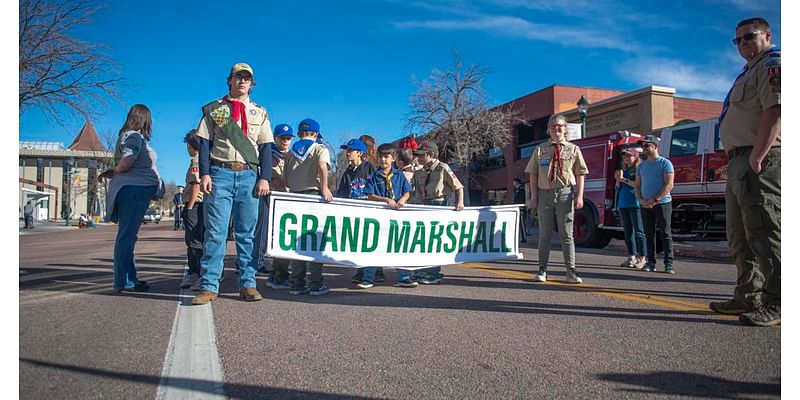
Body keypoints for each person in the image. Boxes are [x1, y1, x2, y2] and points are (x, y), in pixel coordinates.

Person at [709, 17, 781, 327]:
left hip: (760, 158)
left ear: (767, 35)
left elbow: (777, 108)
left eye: (748, 37)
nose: (742, 44)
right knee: (740, 235)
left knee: (765, 232)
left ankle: (779, 301)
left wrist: (758, 155)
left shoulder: (772, 65)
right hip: (740, 160)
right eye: (737, 40)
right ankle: (748, 294)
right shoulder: (747, 73)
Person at [191, 63, 274, 305]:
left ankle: (248, 283)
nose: (242, 82)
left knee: (246, 234)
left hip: (249, 175)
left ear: (252, 84)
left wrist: (265, 177)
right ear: (230, 80)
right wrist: (204, 174)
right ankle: (209, 286)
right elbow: (204, 143)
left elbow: (266, 147)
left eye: (246, 78)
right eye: (238, 77)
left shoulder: (260, 112)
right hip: (220, 173)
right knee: (215, 233)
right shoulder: (216, 109)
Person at [99, 104, 162, 293]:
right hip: (133, 191)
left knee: (128, 236)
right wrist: (116, 170)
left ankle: (129, 278)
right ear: (144, 119)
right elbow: (128, 160)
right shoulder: (132, 136)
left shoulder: (133, 136)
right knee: (126, 236)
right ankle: (125, 281)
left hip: (136, 190)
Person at [526, 114, 588, 284]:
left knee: (566, 234)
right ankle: (542, 269)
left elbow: (580, 174)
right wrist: (533, 196)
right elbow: (533, 174)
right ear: (549, 130)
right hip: (544, 195)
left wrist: (579, 195)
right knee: (544, 234)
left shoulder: (574, 149)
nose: (557, 129)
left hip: (565, 194)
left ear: (566, 128)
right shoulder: (540, 150)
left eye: (560, 126)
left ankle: (571, 271)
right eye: (553, 126)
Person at [284, 118, 333, 296]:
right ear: (316, 133)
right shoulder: (320, 149)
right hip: (312, 195)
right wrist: (325, 187)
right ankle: (316, 284)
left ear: (298, 134)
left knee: (297, 240)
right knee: (314, 241)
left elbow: (285, 177)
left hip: (294, 196)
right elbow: (322, 166)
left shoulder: (290, 153)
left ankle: (296, 284)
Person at [359, 143, 414, 289]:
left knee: (399, 245)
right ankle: (368, 278)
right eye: (381, 157)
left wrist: (402, 200)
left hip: (396, 217)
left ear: (393, 158)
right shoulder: (373, 177)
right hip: (379, 217)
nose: (383, 160)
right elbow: (369, 195)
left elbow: (407, 191)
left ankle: (404, 277)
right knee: (374, 246)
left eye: (386, 157)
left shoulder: (400, 175)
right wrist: (385, 200)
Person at [410, 141, 464, 284]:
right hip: (422, 205)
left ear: (431, 155)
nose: (419, 158)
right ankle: (421, 269)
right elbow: (412, 190)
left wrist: (460, 202)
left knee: (434, 240)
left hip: (438, 203)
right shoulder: (419, 172)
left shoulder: (442, 168)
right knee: (421, 239)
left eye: (422, 155)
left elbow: (458, 187)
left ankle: (433, 272)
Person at [634, 135, 675, 274]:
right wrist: (640, 199)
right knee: (648, 234)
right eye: (643, 146)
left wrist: (655, 199)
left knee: (665, 233)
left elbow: (669, 184)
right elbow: (637, 185)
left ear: (655, 146)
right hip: (645, 204)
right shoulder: (641, 166)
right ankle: (650, 262)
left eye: (647, 145)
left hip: (662, 203)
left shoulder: (665, 163)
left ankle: (669, 263)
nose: (644, 148)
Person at [262, 123, 294, 290]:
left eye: (288, 138)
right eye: (283, 137)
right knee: (277, 237)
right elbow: (274, 177)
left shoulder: (293, 155)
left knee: (284, 237)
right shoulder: (269, 155)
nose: (286, 141)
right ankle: (279, 275)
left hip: (289, 200)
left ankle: (277, 273)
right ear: (275, 138)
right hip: (273, 199)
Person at [180, 131, 205, 290]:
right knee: (195, 240)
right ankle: (196, 273)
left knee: (194, 240)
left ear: (191, 146)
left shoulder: (196, 161)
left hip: (196, 204)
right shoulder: (201, 160)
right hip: (199, 204)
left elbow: (196, 185)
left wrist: (189, 207)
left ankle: (197, 273)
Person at [614, 148, 646, 269]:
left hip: (635, 203)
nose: (626, 159)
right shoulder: (624, 171)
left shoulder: (639, 170)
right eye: (625, 157)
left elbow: (638, 184)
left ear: (636, 157)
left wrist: (624, 180)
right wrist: (618, 181)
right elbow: (618, 189)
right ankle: (631, 256)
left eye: (629, 156)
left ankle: (642, 257)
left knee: (639, 231)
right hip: (623, 204)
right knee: (628, 232)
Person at [512, 178, 527, 243]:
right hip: (517, 208)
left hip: (521, 209)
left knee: (522, 224)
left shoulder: (521, 190)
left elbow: (521, 200)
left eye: (514, 182)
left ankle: (524, 237)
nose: (513, 184)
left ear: (517, 182)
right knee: (519, 224)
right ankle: (522, 237)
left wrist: (520, 207)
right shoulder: (517, 190)